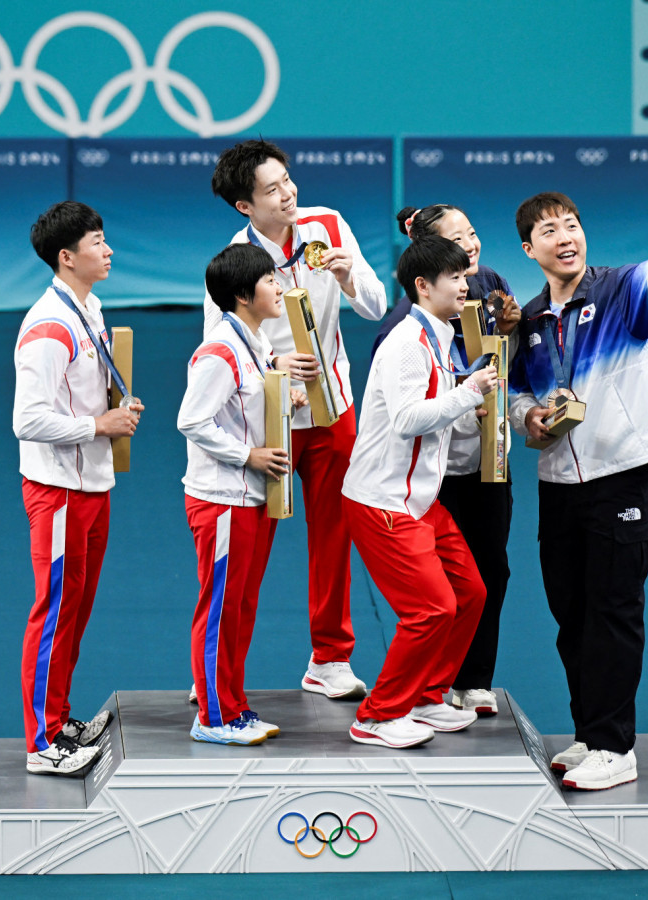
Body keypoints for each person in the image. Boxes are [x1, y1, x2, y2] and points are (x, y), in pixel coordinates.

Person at [509, 163, 648, 790]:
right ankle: (590, 734)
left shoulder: (622, 290)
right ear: (529, 248)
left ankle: (617, 748)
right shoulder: (533, 322)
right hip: (557, 484)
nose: (566, 237)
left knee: (615, 609)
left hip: (621, 473)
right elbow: (516, 398)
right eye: (550, 230)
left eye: (572, 225)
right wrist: (531, 421)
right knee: (572, 613)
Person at [202, 139, 386, 701]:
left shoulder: (328, 224)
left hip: (333, 411)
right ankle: (216, 666)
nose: (288, 195)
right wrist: (272, 363)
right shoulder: (235, 260)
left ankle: (329, 659)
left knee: (334, 537)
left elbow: (376, 307)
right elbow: (218, 344)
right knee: (248, 549)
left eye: (288, 181)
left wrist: (350, 272)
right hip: (270, 419)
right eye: (272, 190)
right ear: (245, 207)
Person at [341, 234, 497, 749]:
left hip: (420, 501)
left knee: (471, 593)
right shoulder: (407, 343)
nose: (464, 283)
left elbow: (436, 413)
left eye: (463, 274)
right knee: (430, 610)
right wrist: (468, 392)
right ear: (423, 287)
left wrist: (463, 401)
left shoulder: (439, 336)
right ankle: (378, 715)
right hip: (383, 501)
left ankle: (429, 696)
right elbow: (409, 420)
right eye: (453, 277)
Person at [373, 204, 522, 717]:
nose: (472, 249)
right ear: (427, 270)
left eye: (475, 233)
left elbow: (508, 367)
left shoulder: (492, 285)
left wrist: (513, 334)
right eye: (457, 245)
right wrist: (467, 394)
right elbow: (406, 413)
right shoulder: (402, 332)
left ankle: (470, 681)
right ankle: (420, 690)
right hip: (433, 476)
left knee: (490, 573)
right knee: (437, 592)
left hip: (490, 460)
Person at [14, 200, 143, 776]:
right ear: (67, 258)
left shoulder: (90, 307)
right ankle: (43, 742)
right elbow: (27, 419)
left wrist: (114, 407)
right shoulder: (49, 328)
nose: (108, 249)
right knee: (54, 609)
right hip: (59, 490)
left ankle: (60, 717)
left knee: (77, 608)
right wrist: (99, 424)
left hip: (93, 483)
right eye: (97, 242)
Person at [178, 243, 308, 745]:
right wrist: (246, 456)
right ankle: (211, 716)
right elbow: (191, 419)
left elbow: (248, 410)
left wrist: (288, 402)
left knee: (241, 606)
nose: (279, 287)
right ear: (241, 294)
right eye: (270, 281)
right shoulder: (220, 351)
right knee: (220, 608)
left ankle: (233, 706)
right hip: (223, 499)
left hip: (254, 497)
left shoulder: (255, 342)